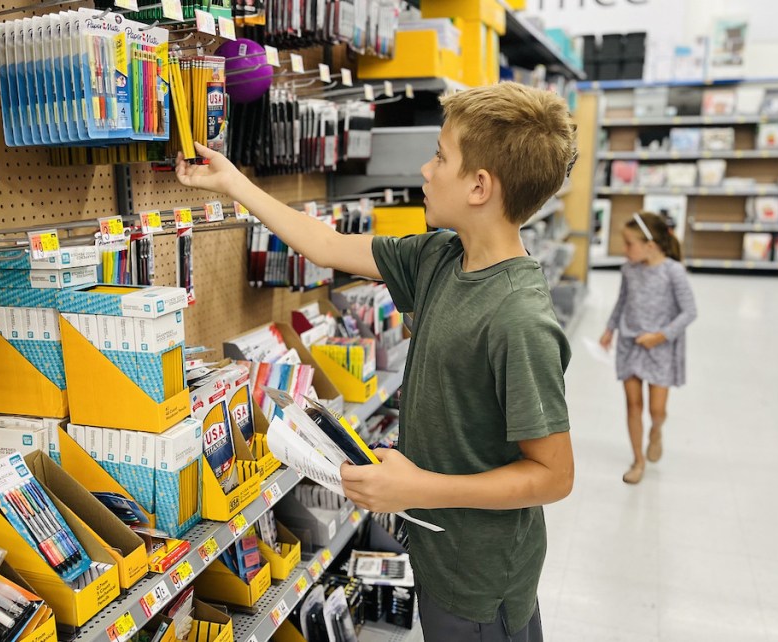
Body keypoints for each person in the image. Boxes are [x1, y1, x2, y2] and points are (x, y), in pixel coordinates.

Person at [176, 82, 576, 641]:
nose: (425, 168)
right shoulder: (442, 255)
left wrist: (418, 488)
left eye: (441, 156)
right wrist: (233, 182)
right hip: (439, 550)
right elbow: (328, 245)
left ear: (480, 186)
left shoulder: (518, 318)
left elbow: (554, 476)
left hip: (483, 578)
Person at [600, 212, 697, 485]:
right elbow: (622, 302)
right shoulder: (628, 270)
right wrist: (609, 329)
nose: (624, 250)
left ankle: (656, 431)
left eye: (629, 244)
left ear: (650, 245)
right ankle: (637, 460)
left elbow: (690, 312)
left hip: (659, 349)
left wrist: (660, 336)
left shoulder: (673, 272)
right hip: (630, 344)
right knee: (633, 405)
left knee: (656, 410)